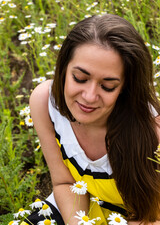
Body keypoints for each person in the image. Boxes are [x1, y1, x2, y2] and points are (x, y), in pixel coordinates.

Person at [27, 14, 160, 225]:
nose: (89, 97)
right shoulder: (45, 102)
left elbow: (149, 217)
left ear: (125, 87)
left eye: (108, 86)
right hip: (75, 208)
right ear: (63, 69)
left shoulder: (153, 130)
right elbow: (64, 183)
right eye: (80, 78)